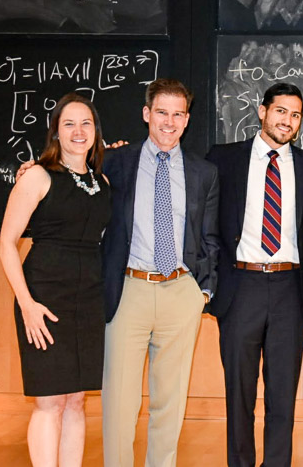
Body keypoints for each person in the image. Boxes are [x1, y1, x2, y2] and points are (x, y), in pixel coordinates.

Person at [206, 83, 303, 466]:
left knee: (282, 395)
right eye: (280, 111)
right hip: (241, 285)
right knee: (238, 392)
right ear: (262, 112)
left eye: (295, 115)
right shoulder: (223, 159)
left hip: (291, 288)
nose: (287, 121)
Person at [100, 78, 220, 467]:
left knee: (169, 402)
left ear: (187, 120)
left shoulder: (204, 173)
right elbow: (68, 173)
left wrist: (201, 292)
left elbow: (210, 236)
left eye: (178, 114)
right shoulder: (115, 161)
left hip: (180, 292)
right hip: (129, 290)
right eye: (162, 112)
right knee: (119, 402)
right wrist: (33, 167)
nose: (169, 122)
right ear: (146, 114)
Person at [0, 93, 110, 466]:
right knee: (49, 402)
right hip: (44, 300)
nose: (79, 131)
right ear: (56, 133)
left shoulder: (102, 182)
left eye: (86, 124)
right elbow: (6, 244)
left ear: (96, 131)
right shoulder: (38, 176)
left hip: (88, 302)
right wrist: (27, 304)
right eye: (69, 124)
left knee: (76, 400)